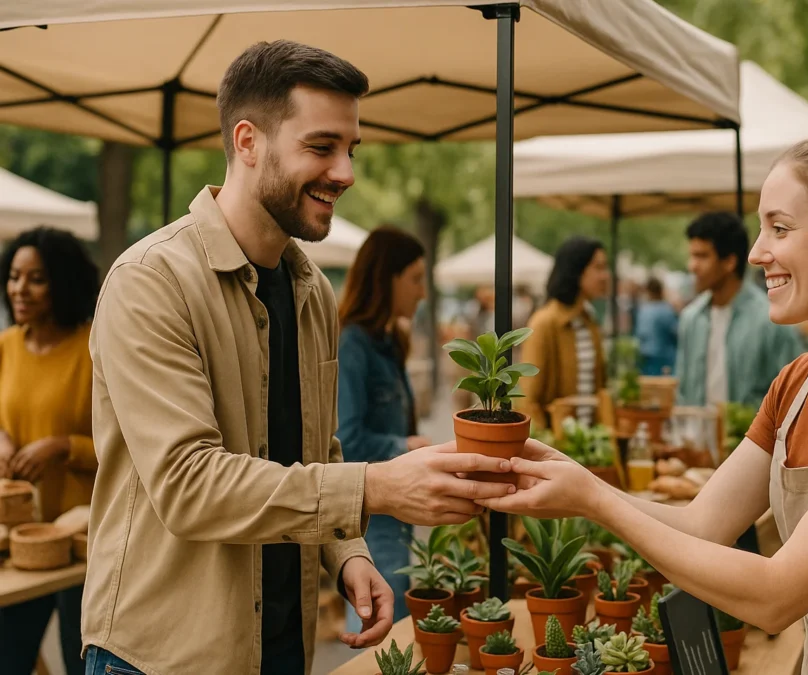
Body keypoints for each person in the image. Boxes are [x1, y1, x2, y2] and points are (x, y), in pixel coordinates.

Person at [482, 132, 808, 674]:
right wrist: (576, 484)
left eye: (780, 228)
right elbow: (700, 526)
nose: (757, 253)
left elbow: (777, 596)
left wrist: (595, 501)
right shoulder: (796, 385)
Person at [82, 40, 513, 675]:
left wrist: (349, 553)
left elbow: (316, 450)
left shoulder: (312, 290)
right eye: (321, 147)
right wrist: (376, 489)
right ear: (248, 142)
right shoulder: (150, 281)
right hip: (161, 657)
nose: (346, 172)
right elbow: (188, 485)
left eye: (351, 149)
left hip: (283, 645)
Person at [0, 226, 98, 675]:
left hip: (84, 543)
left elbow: (128, 446)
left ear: (63, 282)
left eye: (36, 278)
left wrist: (64, 447)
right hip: (22, 539)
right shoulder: (6, 345)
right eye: (14, 276)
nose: (20, 289)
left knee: (80, 661)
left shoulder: (95, 347)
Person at [336, 225, 432, 624]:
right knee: (382, 628)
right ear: (386, 278)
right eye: (415, 279)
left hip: (397, 513)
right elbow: (345, 440)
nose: (422, 292)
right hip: (369, 520)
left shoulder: (390, 342)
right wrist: (405, 446)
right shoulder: (352, 345)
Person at [675, 211, 806, 410]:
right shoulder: (690, 318)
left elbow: (794, 394)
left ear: (729, 262)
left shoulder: (771, 320)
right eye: (692, 256)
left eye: (702, 256)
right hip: (696, 430)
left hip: (752, 430)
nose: (692, 266)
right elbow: (682, 391)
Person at [519, 236, 609, 429]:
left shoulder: (589, 321)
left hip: (589, 440)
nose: (605, 276)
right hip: (555, 442)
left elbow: (599, 388)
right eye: (598, 268)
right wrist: (544, 442)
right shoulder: (543, 323)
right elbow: (528, 399)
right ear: (576, 270)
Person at [634, 277, 678, 376]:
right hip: (663, 358)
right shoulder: (666, 310)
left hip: (645, 356)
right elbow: (675, 332)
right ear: (661, 291)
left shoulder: (643, 310)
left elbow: (639, 334)